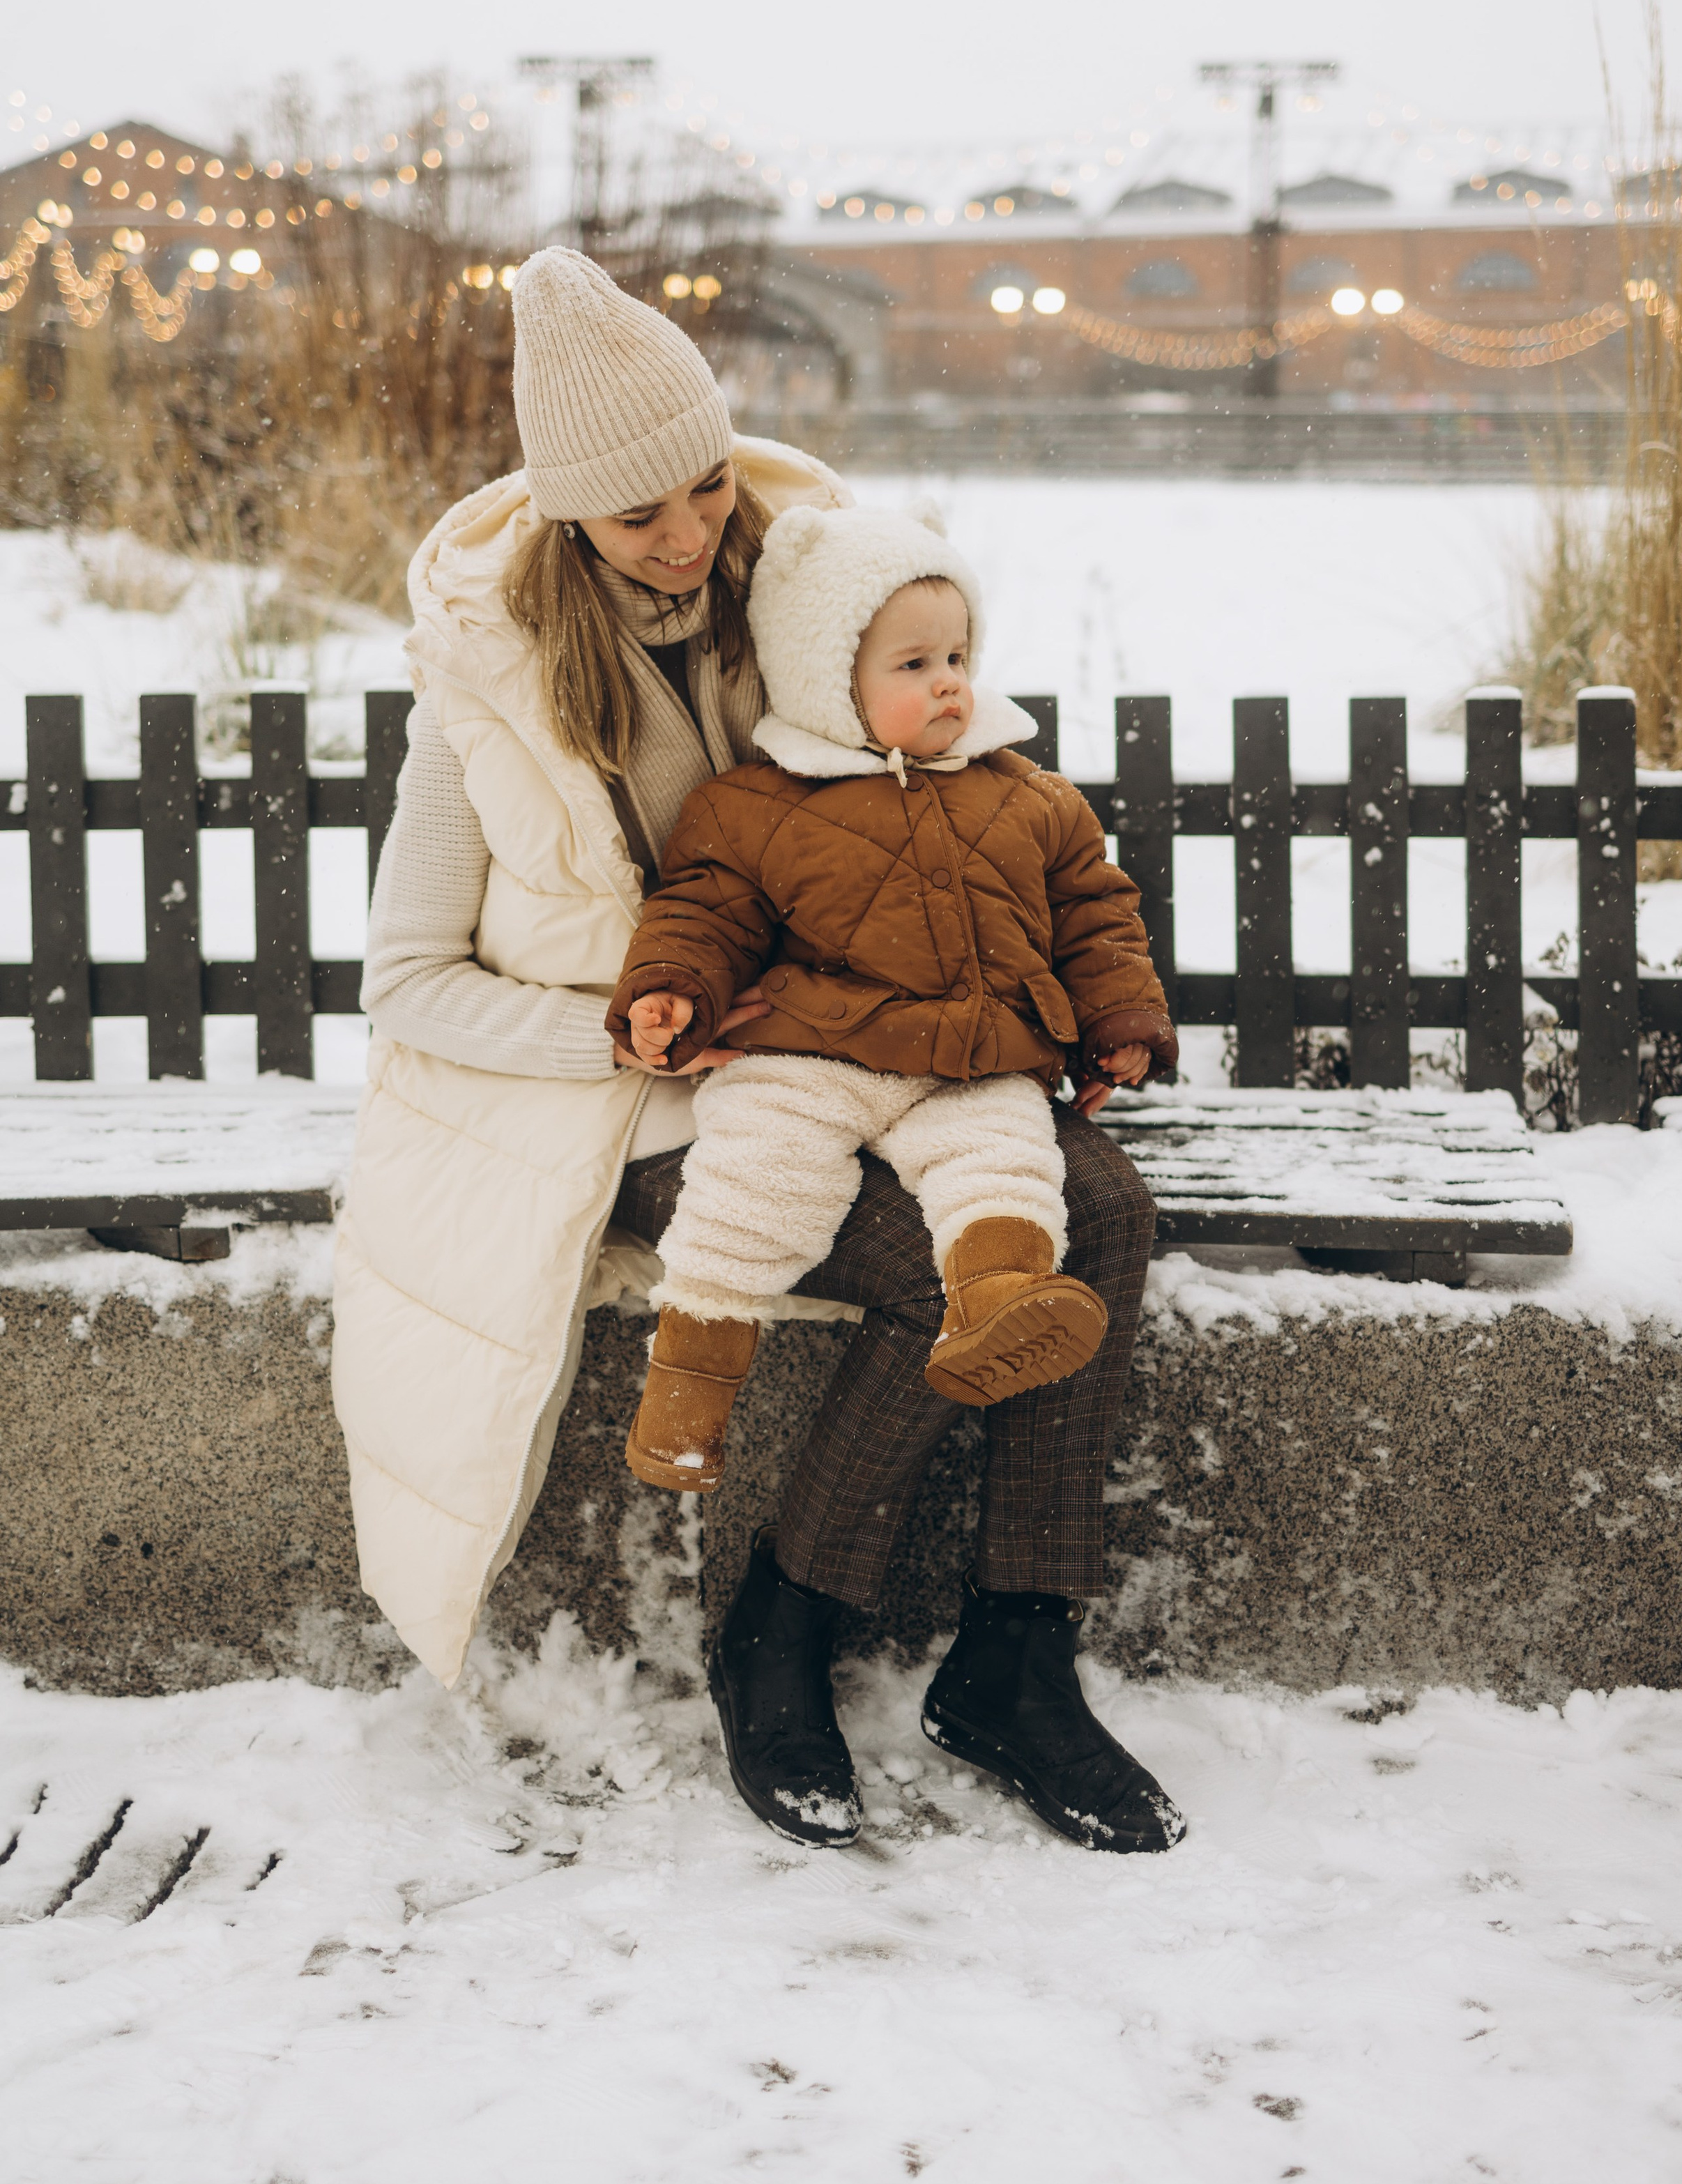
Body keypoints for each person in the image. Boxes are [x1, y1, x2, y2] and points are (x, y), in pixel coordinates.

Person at [332, 245, 1179, 1856]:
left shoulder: (799, 599)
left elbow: (945, 782)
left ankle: (1019, 1649)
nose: (688, 534)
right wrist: (643, 1050)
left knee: (1107, 1213)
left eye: (707, 487)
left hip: (870, 1049)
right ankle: (780, 1624)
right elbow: (407, 983)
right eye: (642, 511)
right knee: (934, 1273)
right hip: (623, 1108)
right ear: (570, 510)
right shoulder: (486, 696)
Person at [609, 501, 1175, 1502]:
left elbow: (1096, 914)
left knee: (1004, 1167)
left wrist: (1121, 1020)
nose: (949, 680)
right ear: (831, 681)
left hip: (972, 1059)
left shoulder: (1029, 798)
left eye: (957, 655)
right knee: (752, 1181)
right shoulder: (754, 807)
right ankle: (686, 1397)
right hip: (811, 1053)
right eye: (912, 665)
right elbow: (704, 913)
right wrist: (671, 993)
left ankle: (997, 1306)